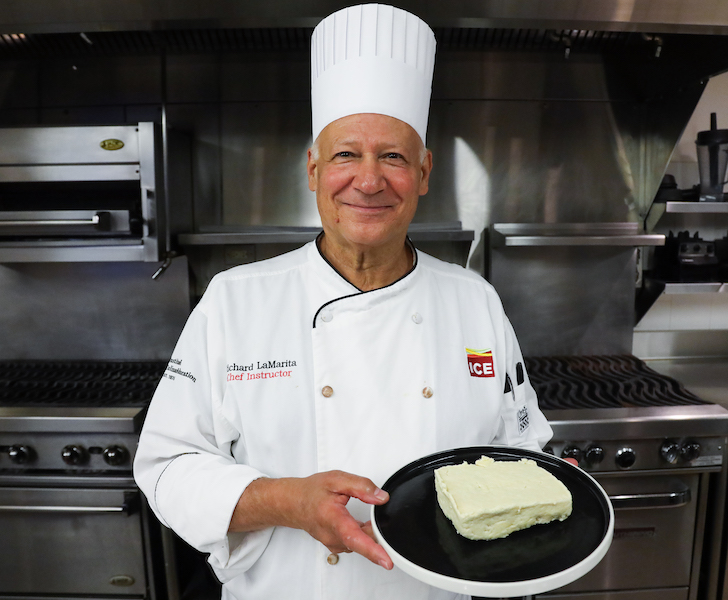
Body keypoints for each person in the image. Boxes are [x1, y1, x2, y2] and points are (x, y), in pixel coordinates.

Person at [134, 4, 552, 600]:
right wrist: (288, 500)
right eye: (346, 154)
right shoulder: (236, 301)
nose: (370, 180)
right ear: (313, 169)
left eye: (394, 157)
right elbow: (166, 470)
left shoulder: (474, 300)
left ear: (425, 172)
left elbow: (522, 448)